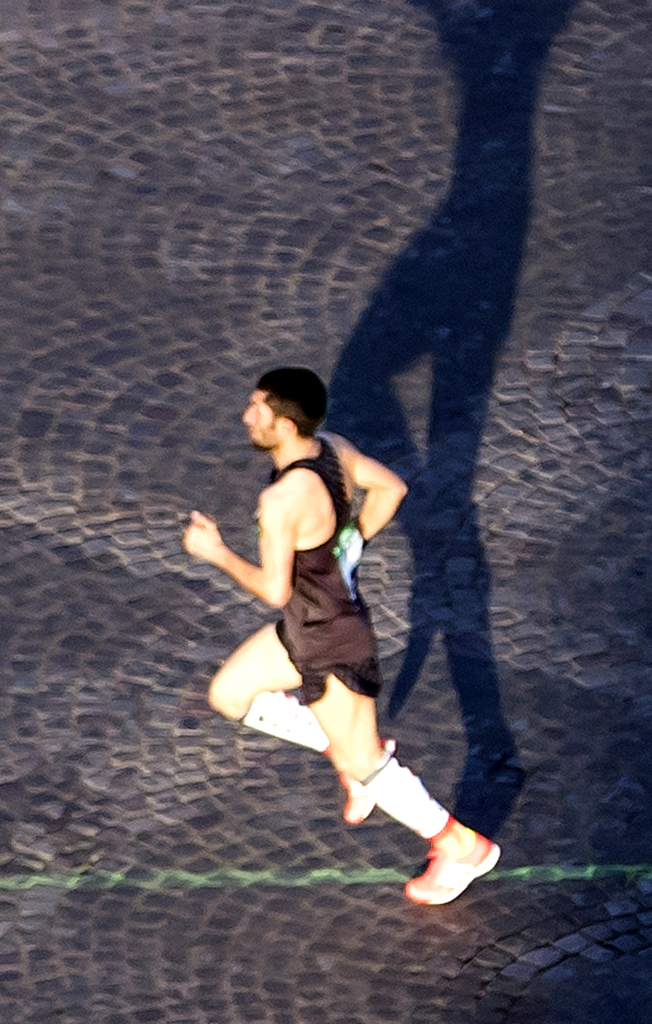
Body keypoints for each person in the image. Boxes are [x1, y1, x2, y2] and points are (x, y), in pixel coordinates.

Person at [182, 366, 499, 904]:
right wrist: (350, 546)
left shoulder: (282, 500)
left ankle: (462, 847)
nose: (246, 416)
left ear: (284, 425)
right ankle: (341, 742)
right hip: (307, 626)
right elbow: (391, 488)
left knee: (364, 764)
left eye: (257, 408)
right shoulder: (332, 448)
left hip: (329, 641)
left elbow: (274, 589)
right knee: (229, 695)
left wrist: (217, 554)